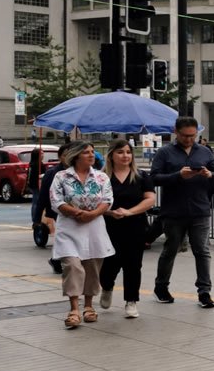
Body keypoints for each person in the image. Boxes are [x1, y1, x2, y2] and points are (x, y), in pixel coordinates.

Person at [150, 116, 214, 308]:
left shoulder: (205, 152)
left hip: (200, 210)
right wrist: (178, 175)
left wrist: (210, 175)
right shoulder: (165, 152)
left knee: (202, 251)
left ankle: (204, 292)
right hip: (173, 211)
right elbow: (154, 178)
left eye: (193, 135)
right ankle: (161, 287)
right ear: (176, 132)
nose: (190, 139)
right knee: (170, 249)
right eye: (185, 136)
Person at [49, 142, 114, 329]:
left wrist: (92, 214)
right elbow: (56, 201)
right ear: (76, 156)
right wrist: (77, 213)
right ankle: (74, 309)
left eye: (93, 152)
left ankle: (88, 306)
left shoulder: (101, 177)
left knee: (92, 267)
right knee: (72, 265)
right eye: (86, 152)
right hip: (69, 227)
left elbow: (107, 200)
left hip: (94, 227)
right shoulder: (61, 176)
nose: (91, 155)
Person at [99, 139, 156, 319]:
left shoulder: (141, 176)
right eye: (120, 152)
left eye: (128, 152)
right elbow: (93, 201)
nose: (125, 156)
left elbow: (150, 199)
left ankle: (131, 301)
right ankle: (107, 287)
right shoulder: (102, 177)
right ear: (111, 155)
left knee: (133, 265)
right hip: (109, 226)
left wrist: (129, 212)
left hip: (135, 226)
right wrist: (109, 212)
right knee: (110, 264)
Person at [34, 143, 71, 274]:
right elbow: (42, 197)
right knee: (66, 235)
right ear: (60, 157)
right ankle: (58, 260)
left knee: (68, 237)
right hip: (58, 210)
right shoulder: (52, 173)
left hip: (77, 210)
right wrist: (37, 219)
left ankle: (56, 259)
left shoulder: (81, 171)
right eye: (66, 154)